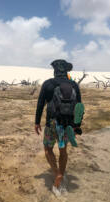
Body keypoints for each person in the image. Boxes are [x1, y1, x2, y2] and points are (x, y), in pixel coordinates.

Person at [35, 59, 82, 194]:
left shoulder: (48, 84)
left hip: (52, 123)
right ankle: (62, 172)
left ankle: (57, 174)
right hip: (67, 124)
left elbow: (40, 104)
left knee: (47, 149)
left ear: (55, 70)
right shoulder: (73, 84)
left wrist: (37, 122)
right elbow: (79, 106)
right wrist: (76, 126)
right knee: (63, 150)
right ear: (66, 70)